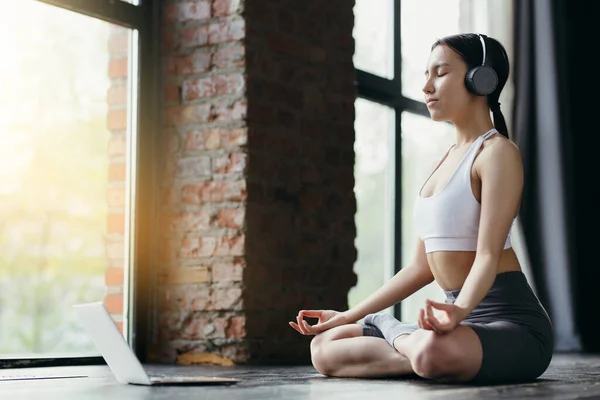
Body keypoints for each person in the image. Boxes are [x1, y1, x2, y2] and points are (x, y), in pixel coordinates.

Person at [288, 33, 554, 384]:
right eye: (426, 75)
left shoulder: (497, 153)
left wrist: (458, 311)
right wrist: (348, 315)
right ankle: (415, 346)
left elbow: (487, 255)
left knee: (431, 352)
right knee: (324, 347)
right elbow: (419, 268)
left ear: (481, 78)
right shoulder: (440, 164)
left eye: (440, 73)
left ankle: (395, 330)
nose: (426, 86)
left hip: (511, 325)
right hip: (455, 327)